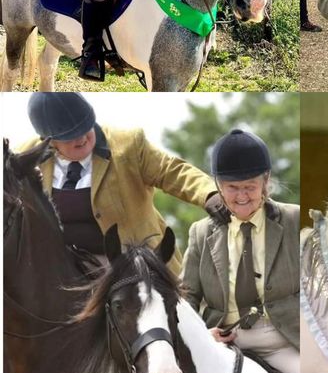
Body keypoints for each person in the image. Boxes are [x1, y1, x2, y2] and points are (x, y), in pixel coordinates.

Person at [18, 92, 225, 276]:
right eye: (70, 137)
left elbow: (172, 171)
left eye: (85, 127)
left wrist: (209, 193)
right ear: (48, 140)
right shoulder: (23, 159)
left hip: (134, 270)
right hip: (61, 273)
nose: (82, 138)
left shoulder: (129, 145)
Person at [181, 128, 300, 373]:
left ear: (265, 181)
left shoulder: (294, 220)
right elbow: (187, 297)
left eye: (250, 186)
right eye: (232, 188)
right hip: (225, 341)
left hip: (286, 338)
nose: (242, 196)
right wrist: (201, 336)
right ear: (218, 186)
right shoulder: (200, 233)